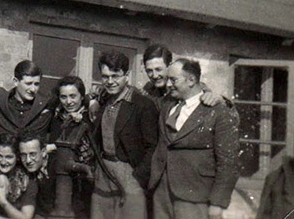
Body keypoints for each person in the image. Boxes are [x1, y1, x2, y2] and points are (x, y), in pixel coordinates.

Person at [149, 59, 239, 219]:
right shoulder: (167, 104)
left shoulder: (217, 111)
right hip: (161, 193)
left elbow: (228, 162)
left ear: (191, 80)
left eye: (173, 80)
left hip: (196, 196)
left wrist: (218, 203)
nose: (168, 84)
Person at [90, 51, 158, 219]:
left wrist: (138, 177)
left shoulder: (142, 104)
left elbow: (153, 147)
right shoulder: (103, 100)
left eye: (115, 76)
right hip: (103, 173)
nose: (110, 81)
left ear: (126, 75)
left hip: (130, 175)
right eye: (105, 76)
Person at [47, 76, 95, 218]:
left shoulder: (90, 117)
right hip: (57, 181)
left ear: (82, 96)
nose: (68, 102)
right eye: (64, 97)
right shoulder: (55, 117)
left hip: (82, 183)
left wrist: (91, 101)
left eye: (73, 96)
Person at [0, 61, 55, 140]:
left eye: (36, 84)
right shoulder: (0, 100)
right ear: (16, 82)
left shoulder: (46, 105)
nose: (33, 89)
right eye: (28, 83)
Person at [0, 133, 35, 219]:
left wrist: (2, 201)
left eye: (9, 157)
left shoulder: (27, 181)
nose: (3, 162)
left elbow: (26, 217)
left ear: (17, 157)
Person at [17, 135, 54, 219]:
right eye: (23, 155)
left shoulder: (57, 166)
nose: (28, 160)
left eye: (33, 154)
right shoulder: (23, 170)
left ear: (44, 152)